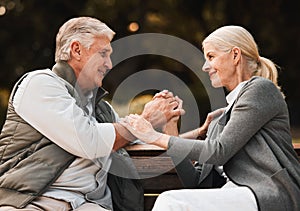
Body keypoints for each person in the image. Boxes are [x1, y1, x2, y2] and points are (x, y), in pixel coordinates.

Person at [0, 17, 184, 211]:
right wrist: (145, 120)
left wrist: (171, 122)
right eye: (103, 54)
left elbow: (141, 139)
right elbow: (89, 141)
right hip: (33, 202)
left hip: (87, 204)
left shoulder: (102, 110)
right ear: (76, 50)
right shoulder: (40, 84)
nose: (109, 64)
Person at [121, 25, 300, 211]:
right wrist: (170, 128)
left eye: (211, 57)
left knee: (171, 202)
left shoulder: (260, 89)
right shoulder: (219, 119)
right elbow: (197, 183)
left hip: (268, 195)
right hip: (236, 196)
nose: (205, 67)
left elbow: (218, 151)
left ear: (235, 55)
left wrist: (154, 136)